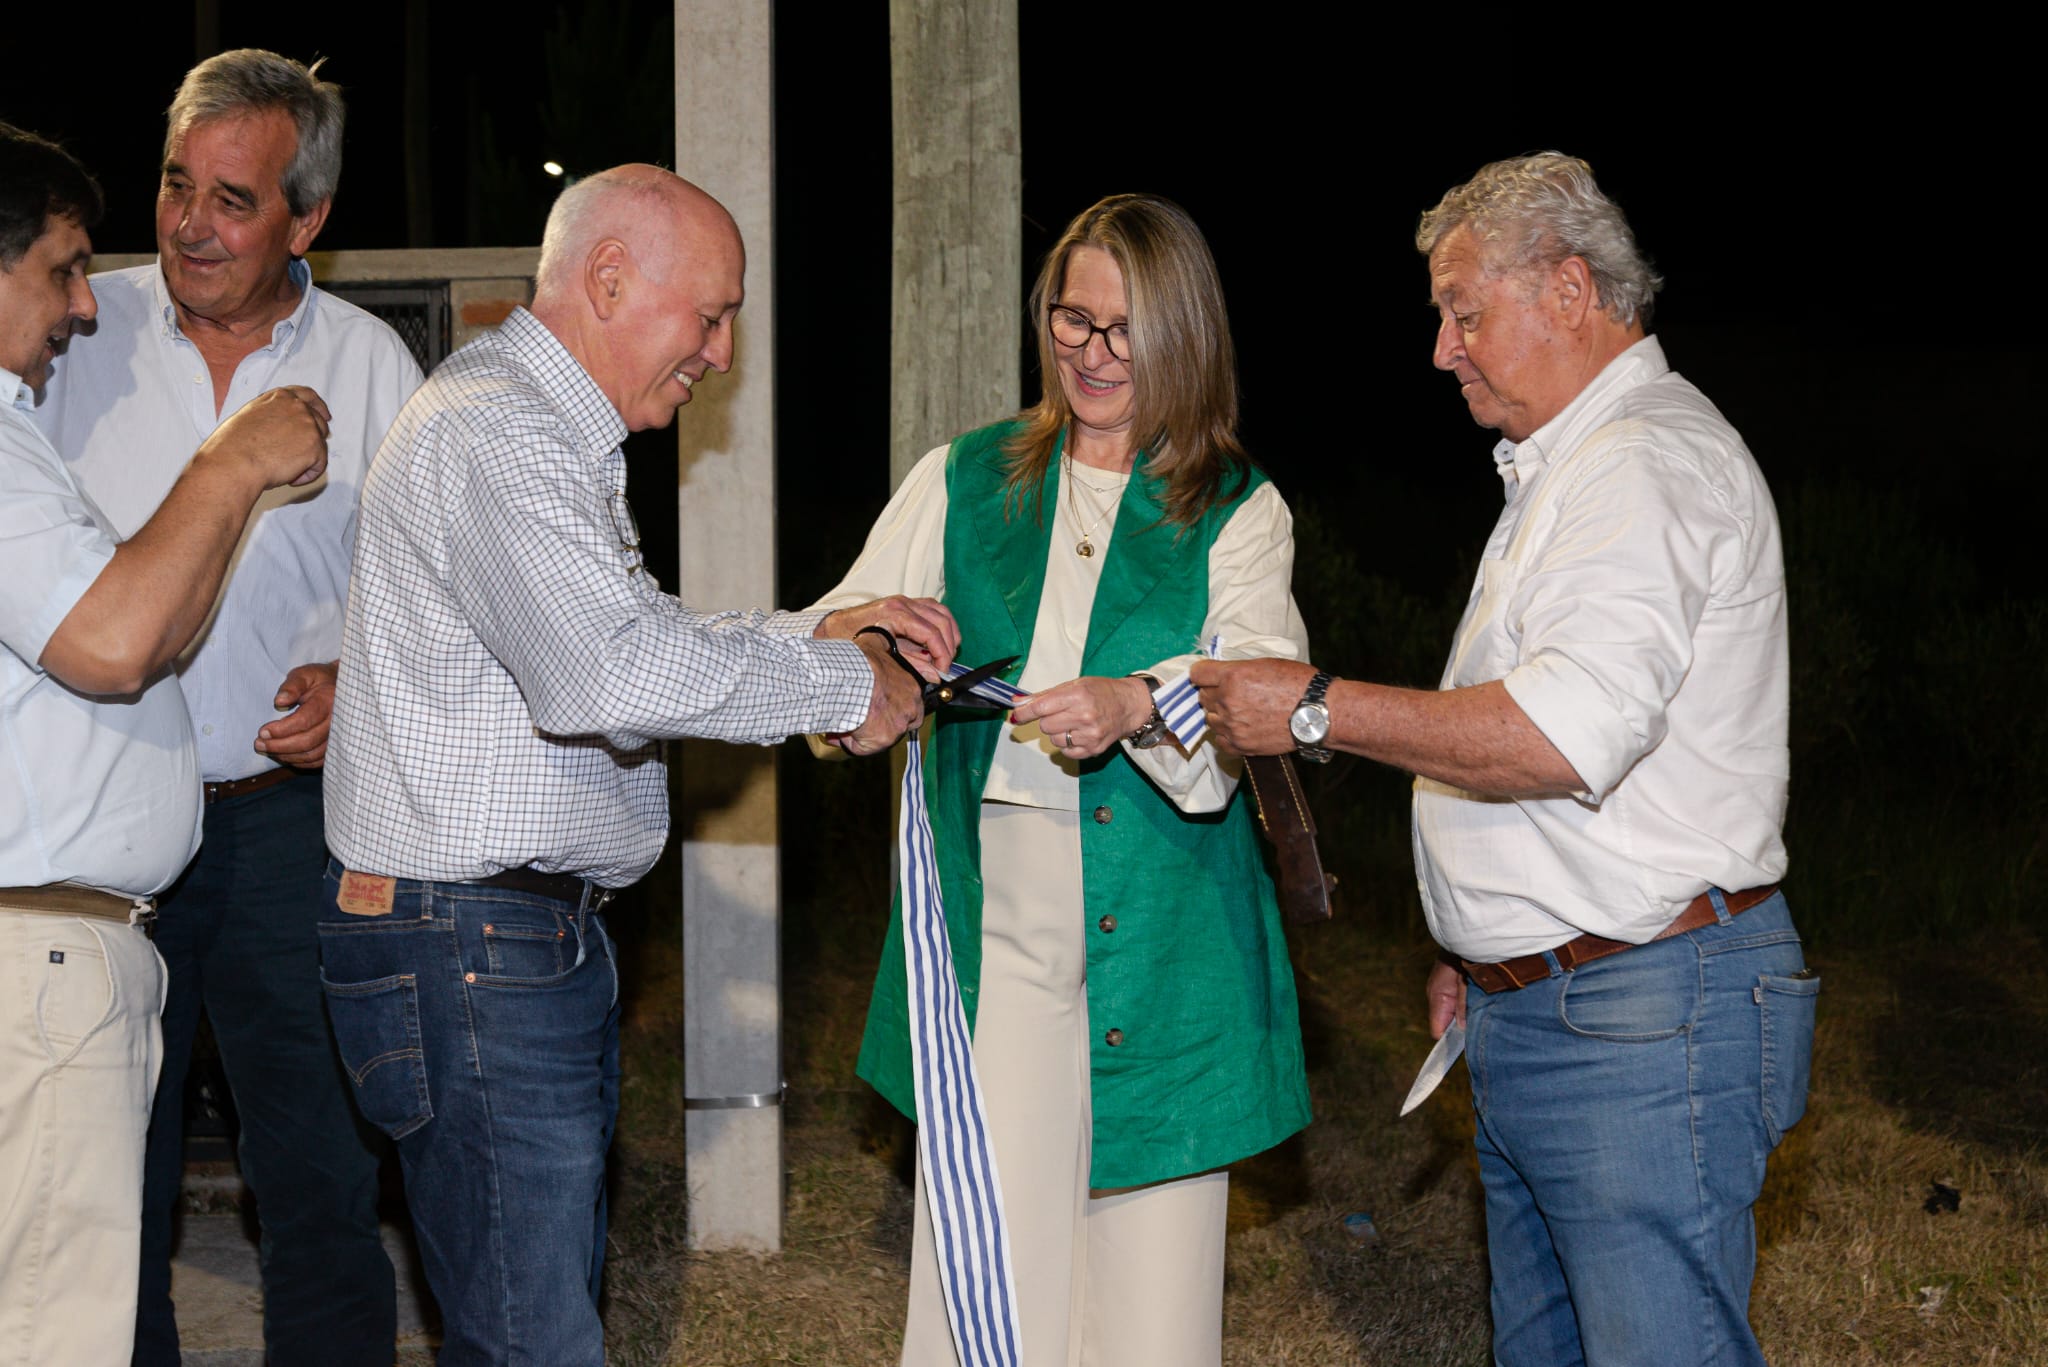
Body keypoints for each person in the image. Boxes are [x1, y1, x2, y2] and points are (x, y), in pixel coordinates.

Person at [1192, 153, 1817, 1366]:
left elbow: (1550, 734)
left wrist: (1312, 705)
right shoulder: (1569, 470)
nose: (1441, 348)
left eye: (1463, 312)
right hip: (1556, 1008)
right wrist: (1482, 946)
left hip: (1643, 1019)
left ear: (1570, 292)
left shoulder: (1638, 464)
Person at [320, 162, 945, 1367]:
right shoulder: (501, 434)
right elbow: (603, 676)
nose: (719, 351)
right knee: (533, 1343)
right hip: (473, 948)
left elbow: (634, 635)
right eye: (709, 315)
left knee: (520, 1324)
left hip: (500, 944)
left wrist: (816, 630)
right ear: (608, 279)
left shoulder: (542, 431)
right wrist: (839, 684)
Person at [814, 192, 1311, 1367]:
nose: (1089, 354)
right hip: (998, 925)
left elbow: (1260, 687)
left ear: (1183, 334)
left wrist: (1138, 700)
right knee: (988, 1248)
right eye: (1069, 320)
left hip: (1168, 926)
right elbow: (827, 631)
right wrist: (871, 647)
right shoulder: (962, 474)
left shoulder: (1241, 507)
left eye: (1123, 329)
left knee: (1150, 1284)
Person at [29, 50, 422, 1364]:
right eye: (174, 185)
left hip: (282, 824)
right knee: (107, 1178)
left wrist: (357, 679)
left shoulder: (373, 368)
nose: (190, 224)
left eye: (233, 199)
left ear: (307, 221)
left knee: (314, 1168)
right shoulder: (72, 328)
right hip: (98, 837)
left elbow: (433, 592)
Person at [0, 122, 330, 1367]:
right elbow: (116, 641)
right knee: (53, 1327)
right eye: (61, 269)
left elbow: (152, 633)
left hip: (70, 941)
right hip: (36, 957)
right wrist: (232, 462)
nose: (87, 307)